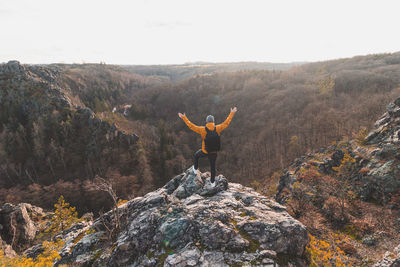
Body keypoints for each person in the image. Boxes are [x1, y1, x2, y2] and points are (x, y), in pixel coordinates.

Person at [178, 107, 237, 187]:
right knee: (213, 168)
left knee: (196, 155)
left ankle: (195, 169)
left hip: (205, 151)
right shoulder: (218, 128)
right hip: (214, 152)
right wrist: (232, 113)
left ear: (207, 121)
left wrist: (184, 118)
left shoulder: (203, 129)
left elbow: (191, 126)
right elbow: (227, 122)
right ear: (213, 121)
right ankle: (212, 183)